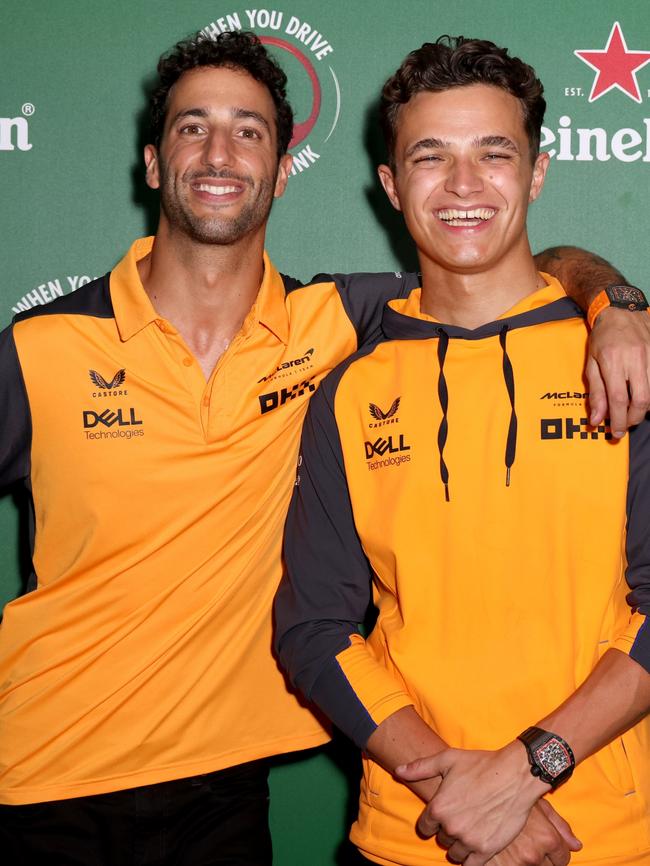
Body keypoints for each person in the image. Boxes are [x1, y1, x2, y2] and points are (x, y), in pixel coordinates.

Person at [0, 29, 647, 866]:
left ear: (282, 168)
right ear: (154, 163)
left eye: (250, 130)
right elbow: (317, 627)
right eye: (193, 127)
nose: (220, 152)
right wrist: (475, 796)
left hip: (223, 787)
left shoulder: (337, 326)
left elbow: (512, 280)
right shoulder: (41, 348)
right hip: (40, 775)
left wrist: (618, 302)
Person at [275, 35, 650, 866]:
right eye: (430, 157)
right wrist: (463, 798)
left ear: (538, 172)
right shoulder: (349, 390)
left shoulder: (624, 359)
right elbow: (315, 628)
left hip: (604, 836)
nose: (464, 187)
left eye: (494, 154)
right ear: (390, 185)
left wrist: (527, 771)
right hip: (413, 834)